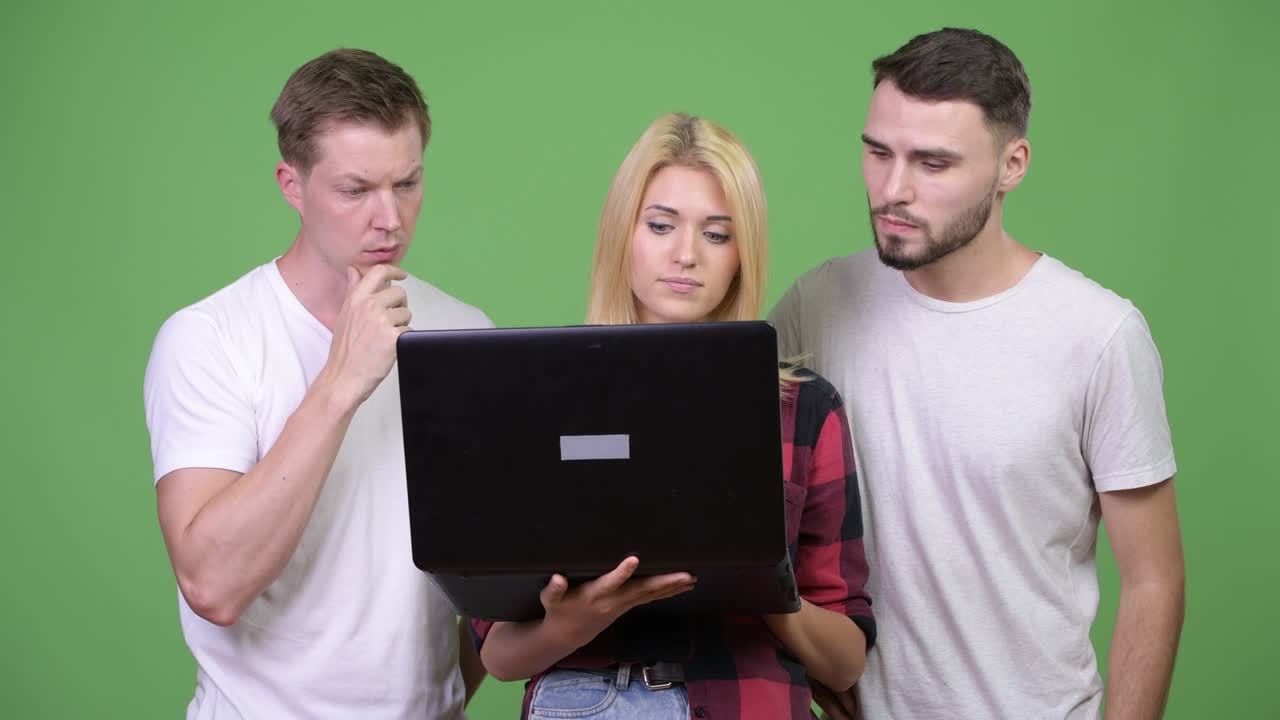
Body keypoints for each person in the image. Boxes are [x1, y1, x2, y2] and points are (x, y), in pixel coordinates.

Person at [769, 28, 1185, 719]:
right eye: (878, 152)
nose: (893, 189)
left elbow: (1154, 582)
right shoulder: (819, 306)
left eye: (933, 163)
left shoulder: (1100, 335)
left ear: (1011, 164)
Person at [468, 112, 875, 719]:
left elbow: (844, 661)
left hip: (749, 702)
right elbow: (498, 655)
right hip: (587, 700)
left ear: (744, 253)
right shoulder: (534, 399)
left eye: (717, 234)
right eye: (661, 226)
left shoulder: (805, 410)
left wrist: (755, 578)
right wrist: (574, 623)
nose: (686, 255)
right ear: (621, 233)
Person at [142, 48, 490, 718]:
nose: (388, 219)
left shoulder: (466, 332)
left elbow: (499, 575)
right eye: (355, 190)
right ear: (292, 185)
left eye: (408, 184)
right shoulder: (209, 338)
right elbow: (212, 584)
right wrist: (341, 380)